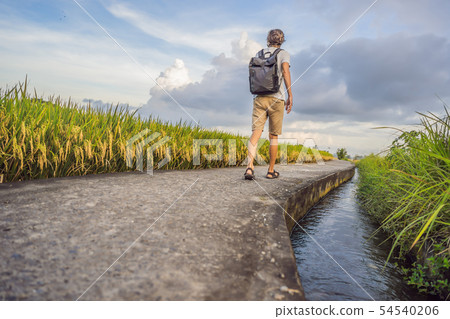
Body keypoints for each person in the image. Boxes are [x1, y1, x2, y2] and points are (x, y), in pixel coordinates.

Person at [244, 29, 293, 180]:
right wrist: (290, 94)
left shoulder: (259, 54)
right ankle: (270, 171)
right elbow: (285, 72)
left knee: (255, 133)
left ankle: (249, 168)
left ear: (268, 39)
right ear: (281, 40)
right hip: (276, 98)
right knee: (273, 136)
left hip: (259, 98)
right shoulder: (283, 54)